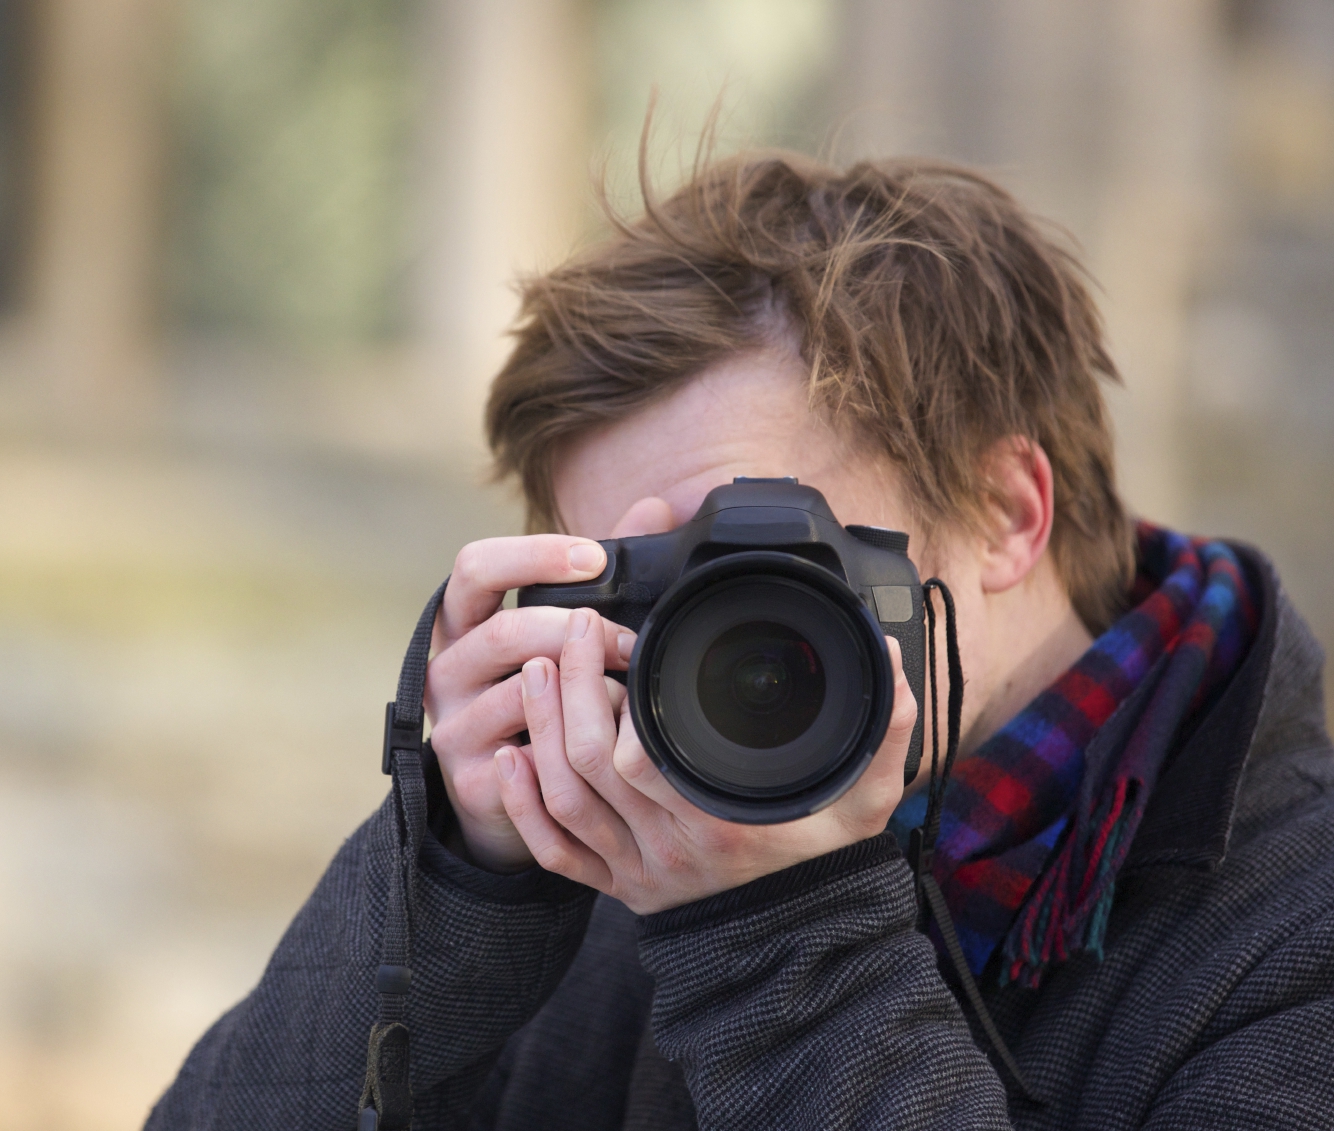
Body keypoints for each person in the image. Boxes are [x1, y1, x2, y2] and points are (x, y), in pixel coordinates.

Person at [145, 152, 1334, 1129]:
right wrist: (452, 890)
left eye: (753, 555)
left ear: (1008, 512)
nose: (700, 652)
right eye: (642, 587)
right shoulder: (637, 864)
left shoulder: (1298, 939)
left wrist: (787, 945)